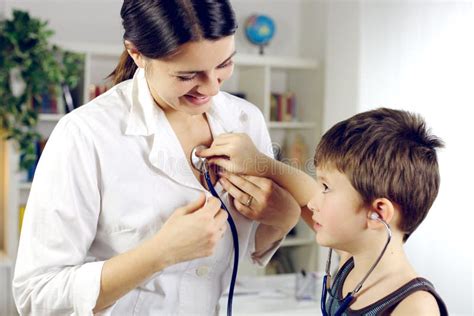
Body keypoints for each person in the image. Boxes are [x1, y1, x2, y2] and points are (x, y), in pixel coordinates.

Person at [12, 1, 301, 315]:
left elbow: (245, 248)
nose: (211, 88)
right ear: (136, 53)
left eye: (224, 64)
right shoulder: (84, 135)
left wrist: (282, 217)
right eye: (188, 75)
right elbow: (36, 294)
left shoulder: (246, 119)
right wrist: (159, 253)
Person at [198, 107, 448, 315]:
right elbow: (304, 191)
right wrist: (258, 163)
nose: (315, 202)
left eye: (326, 187)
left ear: (378, 213)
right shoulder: (349, 262)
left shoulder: (415, 307)